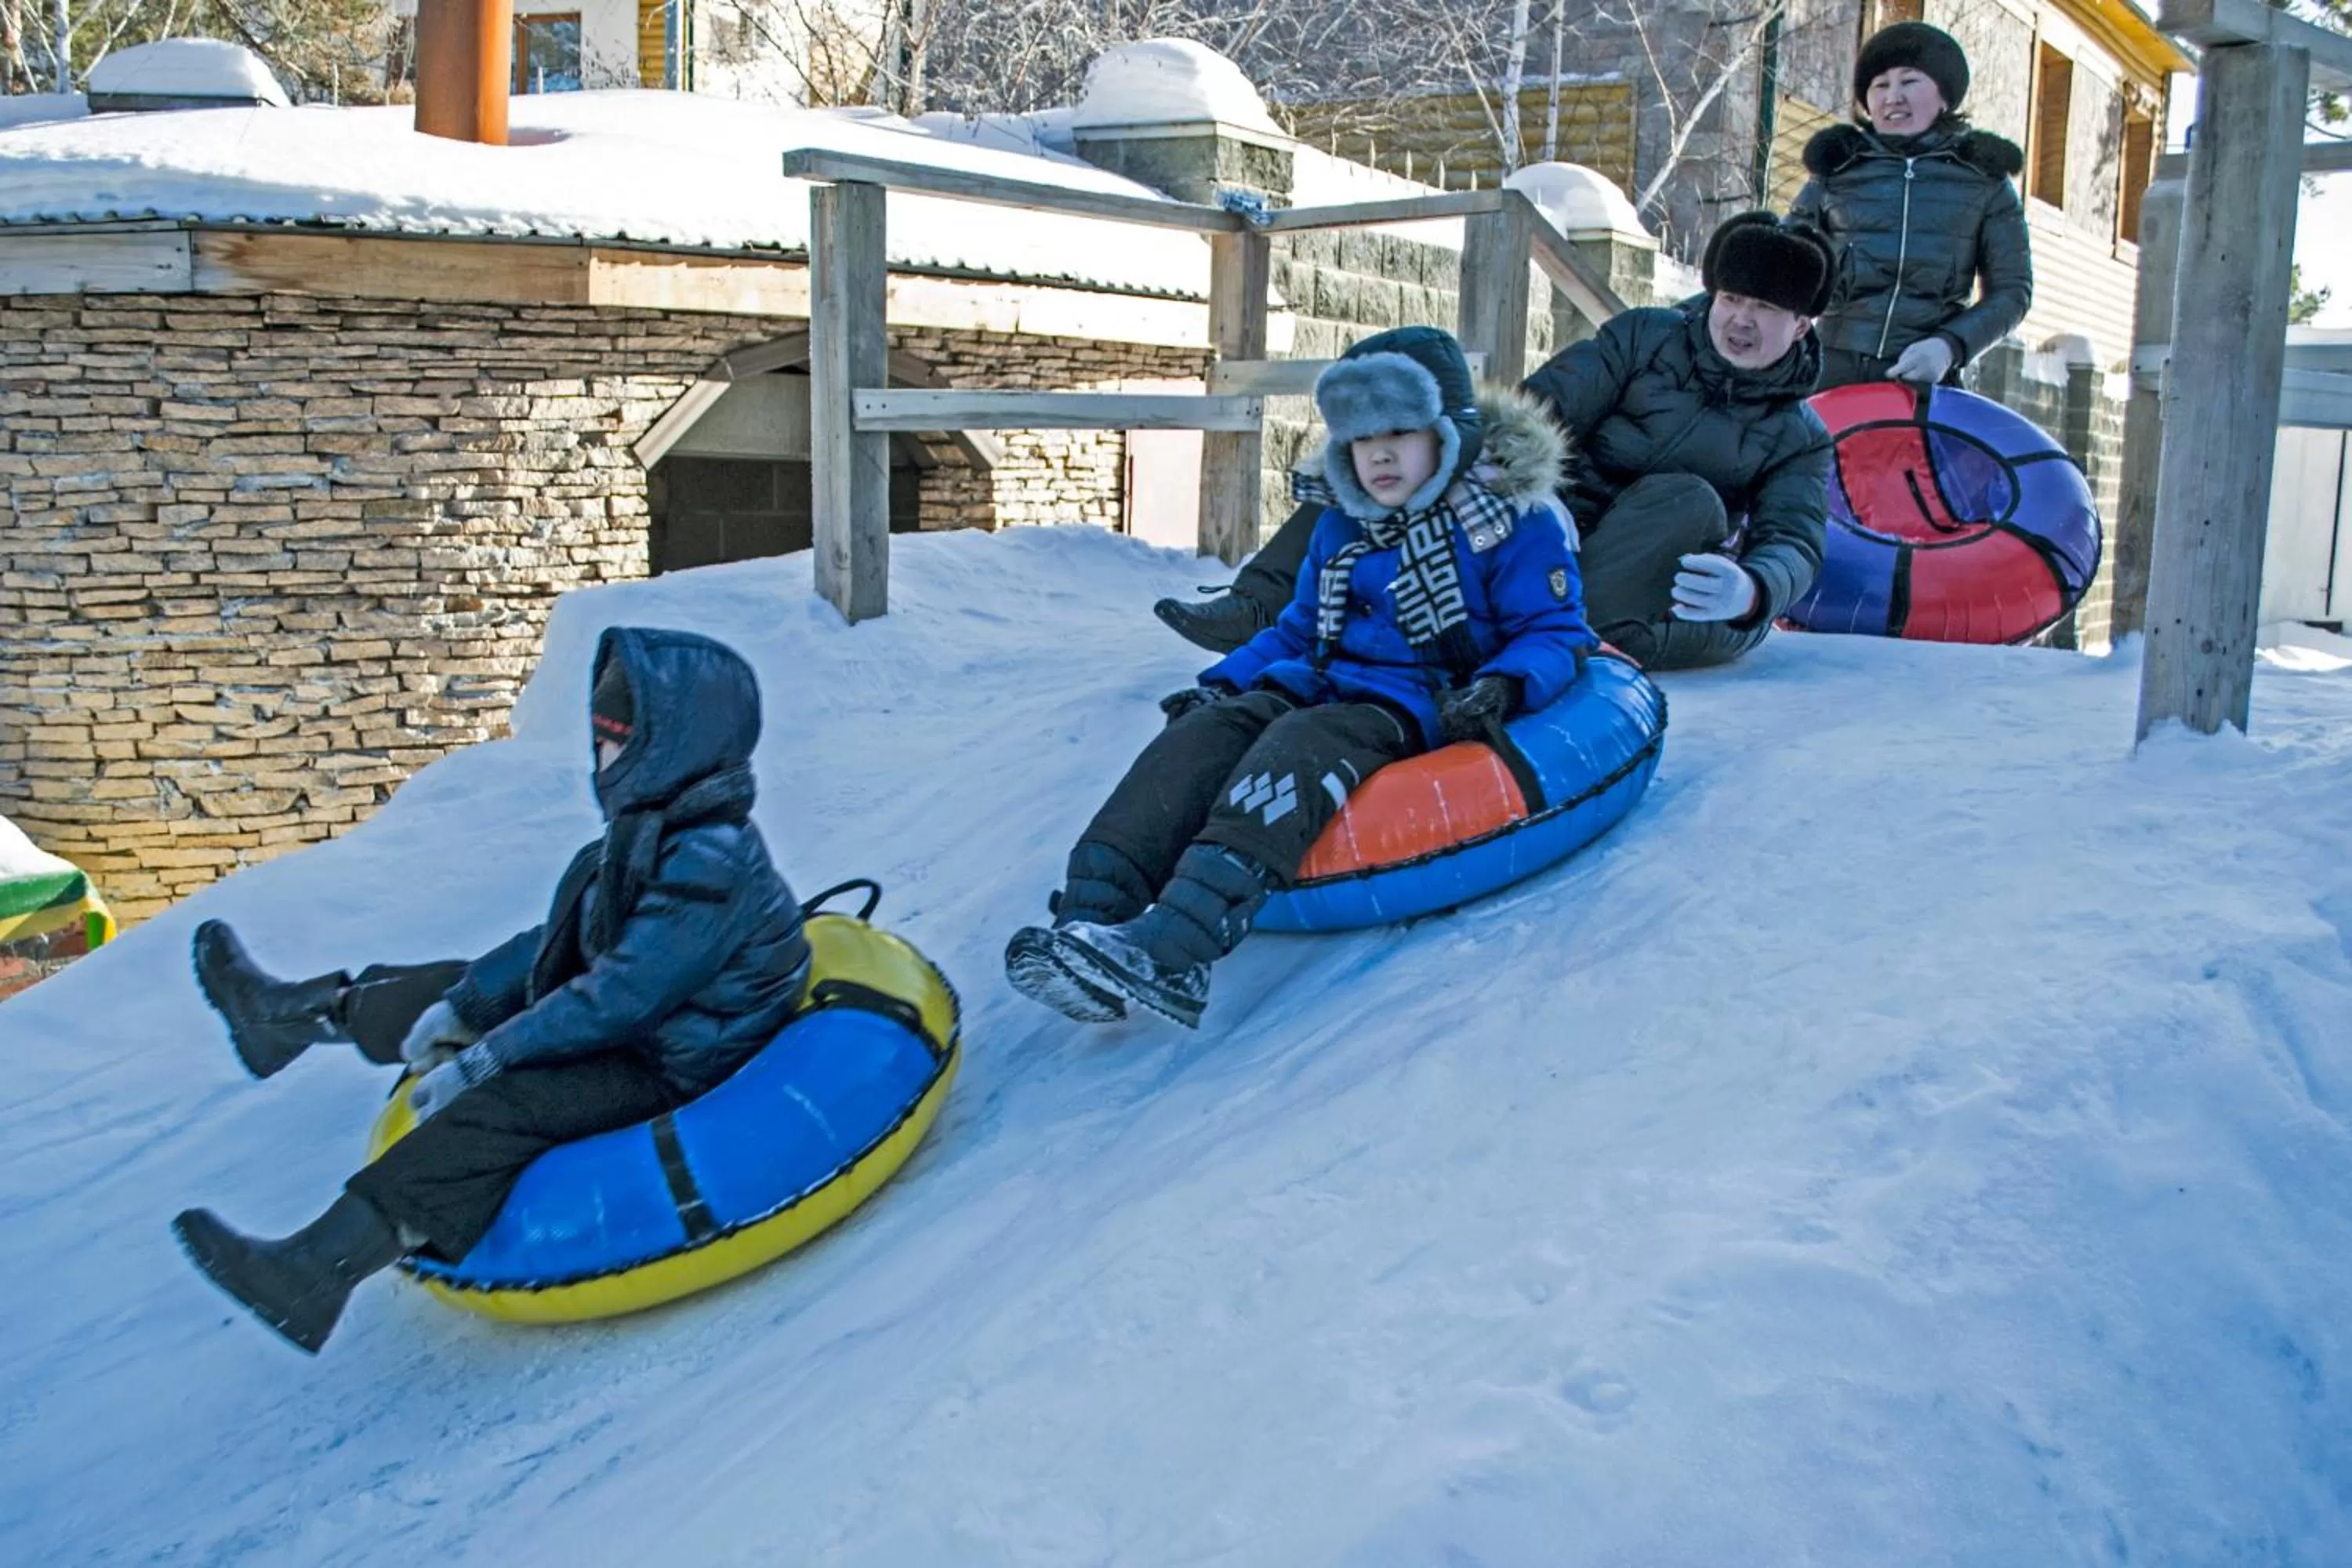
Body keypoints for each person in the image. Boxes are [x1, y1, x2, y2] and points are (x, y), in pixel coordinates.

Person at [172, 626, 813, 1354]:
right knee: (460, 984)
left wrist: (487, 1058)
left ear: (668, 748)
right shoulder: (652, 827)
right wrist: (465, 1009)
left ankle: (315, 1272)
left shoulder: (712, 861)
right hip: (655, 1021)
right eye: (601, 739)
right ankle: (287, 1020)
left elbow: (621, 996)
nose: (602, 756)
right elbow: (558, 943)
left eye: (618, 742)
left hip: (687, 1055)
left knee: (506, 1106)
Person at [1007, 325, 1595, 1029]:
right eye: (1358, 435)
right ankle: (1090, 917)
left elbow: (1556, 632)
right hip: (1319, 677)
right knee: (1205, 732)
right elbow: (1298, 627)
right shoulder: (1342, 523)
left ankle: (1179, 947)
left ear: (1450, 431)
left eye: (1401, 431)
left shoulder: (1509, 521)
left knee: (1305, 744)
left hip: (1422, 697)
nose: (1377, 452)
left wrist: (1504, 686)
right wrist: (1225, 682)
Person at [1157, 212, 1835, 673]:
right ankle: (1260, 603)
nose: (1742, 321)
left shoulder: (1799, 439)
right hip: (1541, 514)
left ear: (1801, 325)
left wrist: (1753, 590)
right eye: (1732, 300)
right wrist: (1502, 473)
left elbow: (1794, 543)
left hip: (1626, 564)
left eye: (1767, 310)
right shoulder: (1645, 336)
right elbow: (1544, 404)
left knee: (1690, 499)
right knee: (1409, 442)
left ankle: (1536, 640)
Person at [1790, 20, 2032, 391]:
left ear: (1944, 96)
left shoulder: (1985, 181)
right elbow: (1781, 262)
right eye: (1880, 85)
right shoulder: (1836, 170)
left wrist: (1949, 346)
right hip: (1831, 373)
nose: (1893, 97)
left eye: (1910, 81)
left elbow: (2012, 291)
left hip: (1926, 378)